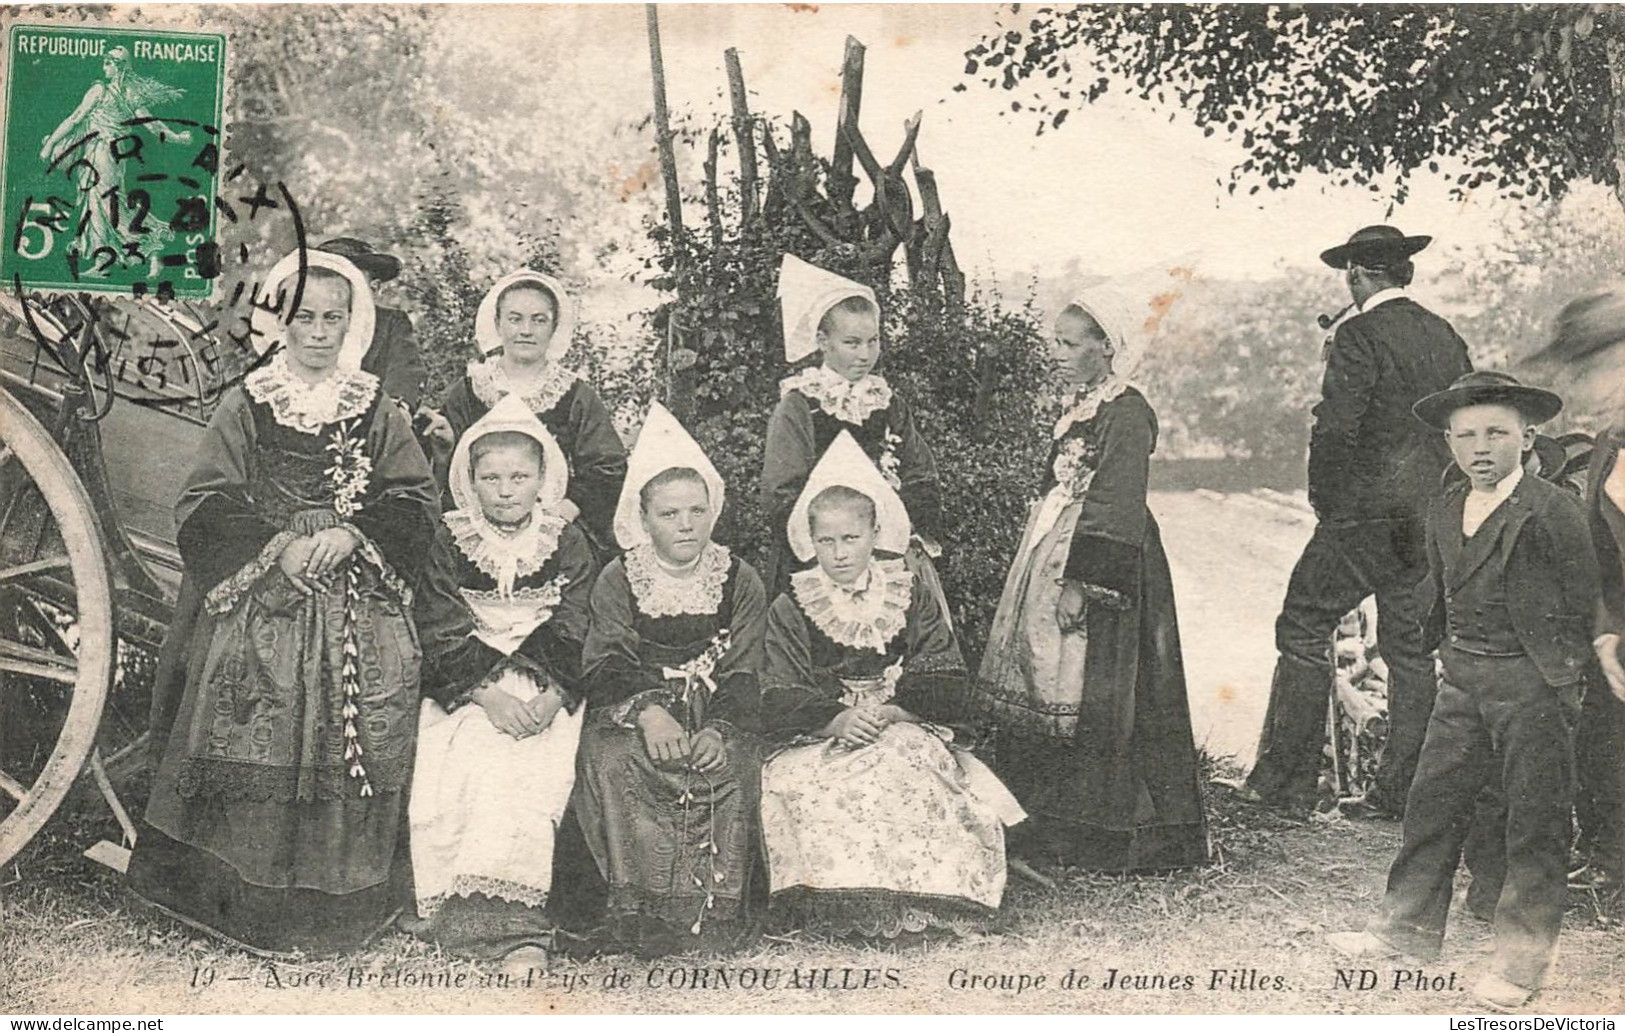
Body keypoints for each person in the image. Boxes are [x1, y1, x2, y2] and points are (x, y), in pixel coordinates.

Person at [125, 250, 439, 956]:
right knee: (251, 694)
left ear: (352, 323)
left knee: (359, 703)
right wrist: (281, 548)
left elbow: (415, 499)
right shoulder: (249, 400)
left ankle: (332, 903)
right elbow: (204, 501)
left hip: (352, 590)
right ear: (280, 318)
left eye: (334, 317)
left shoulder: (375, 406)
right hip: (264, 588)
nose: (319, 332)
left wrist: (354, 532)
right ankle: (233, 895)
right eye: (305, 316)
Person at [1328, 371, 1598, 1011]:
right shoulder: (1447, 504)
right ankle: (1406, 930)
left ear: (1527, 438)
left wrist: (1563, 682)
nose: (1481, 448)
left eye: (1497, 433)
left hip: (1531, 687)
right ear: (1448, 442)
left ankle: (1521, 966)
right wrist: (1429, 653)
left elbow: (1591, 604)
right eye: (1466, 435)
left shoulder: (1554, 510)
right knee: (1431, 807)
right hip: (1463, 681)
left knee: (1533, 826)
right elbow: (1442, 593)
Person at [974, 278, 1209, 872]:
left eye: (1069, 343)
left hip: (1106, 556)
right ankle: (1050, 819)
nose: (1056, 353)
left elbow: (1116, 497)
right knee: (1047, 680)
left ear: (1106, 345)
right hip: (1052, 544)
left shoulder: (1127, 411)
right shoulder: (1080, 406)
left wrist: (1082, 581)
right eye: (1055, 341)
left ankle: (1107, 831)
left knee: (1105, 686)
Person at [1245, 225, 1474, 818]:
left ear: (1355, 275)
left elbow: (1337, 427)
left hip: (1362, 519)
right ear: (1405, 274)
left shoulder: (1358, 334)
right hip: (1427, 521)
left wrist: (1327, 502)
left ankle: (1286, 786)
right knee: (1410, 653)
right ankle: (1400, 795)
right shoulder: (1446, 337)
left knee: (1302, 625)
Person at [759, 432, 1024, 939]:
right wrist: (835, 719)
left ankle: (918, 901)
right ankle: (840, 907)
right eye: (827, 541)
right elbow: (778, 685)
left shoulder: (906, 589)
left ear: (875, 533)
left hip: (900, 719)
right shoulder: (793, 604)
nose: (839, 553)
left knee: (907, 769)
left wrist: (900, 711)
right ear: (809, 541)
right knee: (808, 785)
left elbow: (942, 669)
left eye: (851, 538)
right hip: (820, 732)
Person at [406, 393, 596, 968]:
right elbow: (438, 621)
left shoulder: (565, 540)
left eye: (520, 475)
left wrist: (552, 695)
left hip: (548, 688)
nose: (507, 489)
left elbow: (580, 617)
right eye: (491, 477)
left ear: (544, 478)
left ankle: (521, 923)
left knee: (537, 767)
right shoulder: (450, 537)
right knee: (470, 756)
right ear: (470, 480)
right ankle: (472, 914)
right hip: (471, 686)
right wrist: (487, 694)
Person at [571, 403, 766, 955]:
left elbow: (748, 663)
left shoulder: (738, 577)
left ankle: (711, 915)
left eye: (697, 512)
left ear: (713, 513)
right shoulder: (619, 575)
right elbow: (604, 657)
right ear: (644, 517)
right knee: (616, 762)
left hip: (713, 707)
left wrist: (721, 729)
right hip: (636, 706)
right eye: (669, 513)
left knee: (732, 765)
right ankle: (640, 914)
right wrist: (650, 710)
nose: (686, 525)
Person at [761, 255, 948, 610]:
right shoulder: (801, 406)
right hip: (823, 558)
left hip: (889, 550)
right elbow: (781, 492)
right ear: (823, 341)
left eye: (873, 341)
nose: (865, 355)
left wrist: (902, 528)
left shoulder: (887, 402)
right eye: (852, 343)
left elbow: (920, 472)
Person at [430, 269, 627, 558]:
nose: (526, 330)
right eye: (515, 318)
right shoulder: (471, 389)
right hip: (478, 527)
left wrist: (564, 513)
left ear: (554, 326)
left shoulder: (574, 395)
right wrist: (445, 446)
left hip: (554, 527)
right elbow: (452, 472)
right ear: (498, 323)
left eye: (539, 320)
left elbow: (607, 469)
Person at [38, 46, 192, 278]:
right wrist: (177, 138)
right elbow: (153, 125)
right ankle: (132, 249)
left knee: (100, 204)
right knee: (107, 203)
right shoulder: (131, 95)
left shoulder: (99, 90)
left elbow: (75, 118)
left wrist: (51, 145)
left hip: (101, 152)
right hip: (114, 156)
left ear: (118, 67)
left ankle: (109, 259)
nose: (104, 67)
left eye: (108, 63)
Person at [1577, 419, 1625, 897]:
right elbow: (1603, 557)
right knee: (1603, 733)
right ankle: (1610, 860)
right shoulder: (1610, 444)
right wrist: (1608, 632)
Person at [316, 237, 427, 408]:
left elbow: (405, 370)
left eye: (351, 282)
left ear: (374, 288)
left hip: (372, 419)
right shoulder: (307, 325)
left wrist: (397, 407)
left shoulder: (390, 323)